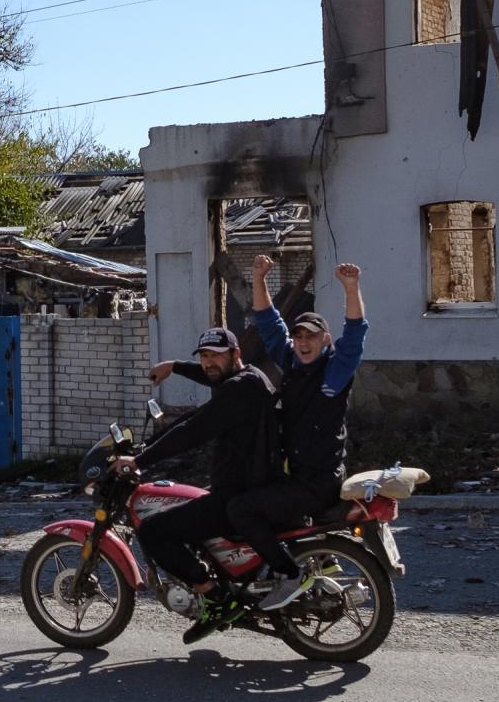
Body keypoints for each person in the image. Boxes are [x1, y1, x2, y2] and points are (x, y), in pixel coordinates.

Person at [115, 326, 277, 644]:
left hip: (236, 496)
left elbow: (193, 430)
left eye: (216, 355)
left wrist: (139, 460)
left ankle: (213, 597)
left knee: (153, 532)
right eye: (204, 356)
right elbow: (212, 376)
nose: (209, 363)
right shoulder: (249, 379)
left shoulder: (237, 390)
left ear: (236, 354)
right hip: (248, 487)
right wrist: (175, 366)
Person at [226, 255, 368, 610]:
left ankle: (289, 574)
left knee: (241, 510)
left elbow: (355, 334)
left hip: (318, 482)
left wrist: (351, 288)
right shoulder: (290, 360)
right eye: (300, 336)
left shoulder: (336, 371)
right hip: (298, 475)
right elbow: (269, 323)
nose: (304, 342)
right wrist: (258, 277)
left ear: (325, 341)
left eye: (312, 337)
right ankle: (322, 565)